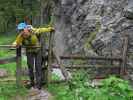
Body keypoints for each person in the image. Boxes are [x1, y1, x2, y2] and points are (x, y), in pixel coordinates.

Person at [12, 22, 54, 93]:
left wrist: (49, 29)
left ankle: (38, 85)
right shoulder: (21, 36)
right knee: (30, 67)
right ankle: (32, 83)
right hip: (29, 52)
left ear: (26, 28)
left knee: (38, 67)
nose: (21, 31)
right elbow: (17, 42)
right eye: (20, 30)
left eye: (22, 29)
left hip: (37, 51)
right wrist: (14, 44)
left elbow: (41, 30)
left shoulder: (32, 31)